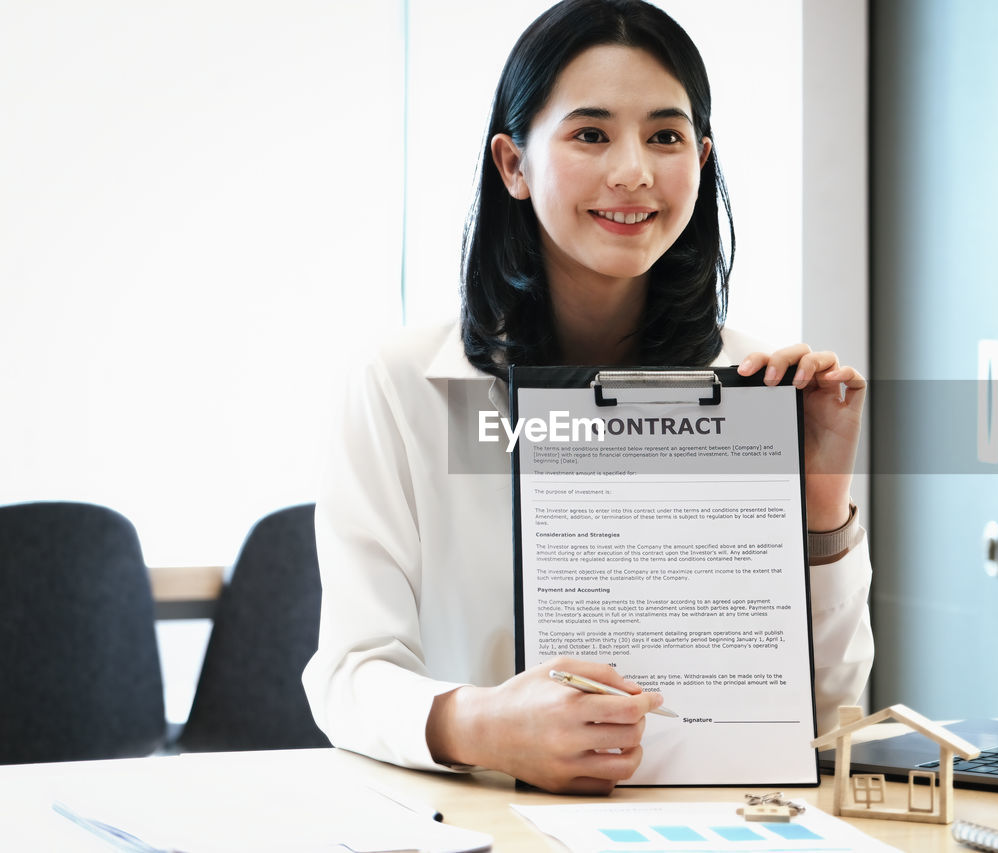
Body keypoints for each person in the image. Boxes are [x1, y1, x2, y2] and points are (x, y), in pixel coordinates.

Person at [302, 0, 872, 794]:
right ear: (513, 164)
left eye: (666, 136)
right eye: (591, 133)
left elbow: (830, 711)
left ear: (701, 160)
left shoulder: (761, 385)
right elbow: (348, 674)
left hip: (712, 824)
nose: (634, 169)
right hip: (481, 821)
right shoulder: (397, 386)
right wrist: (484, 724)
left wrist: (819, 509)